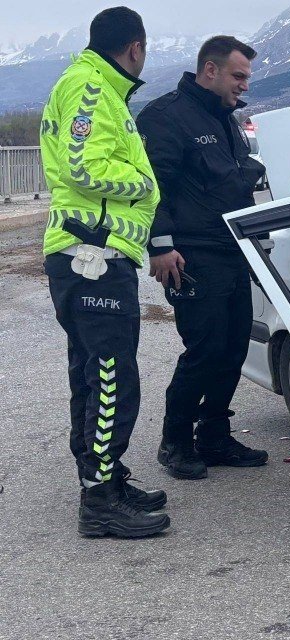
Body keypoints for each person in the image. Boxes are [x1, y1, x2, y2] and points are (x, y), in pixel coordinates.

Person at [40, 6, 169, 537]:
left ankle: (105, 480)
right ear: (135, 47)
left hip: (90, 254)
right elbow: (85, 166)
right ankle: (99, 500)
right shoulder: (91, 88)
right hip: (91, 254)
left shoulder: (97, 87)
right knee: (113, 375)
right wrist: (144, 181)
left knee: (93, 372)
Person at [137, 36, 268, 480]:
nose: (243, 86)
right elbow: (152, 188)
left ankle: (213, 436)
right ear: (209, 71)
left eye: (246, 77)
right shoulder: (166, 117)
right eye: (238, 76)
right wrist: (159, 245)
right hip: (191, 256)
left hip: (232, 250)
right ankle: (175, 443)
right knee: (205, 349)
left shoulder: (227, 120)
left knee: (233, 347)